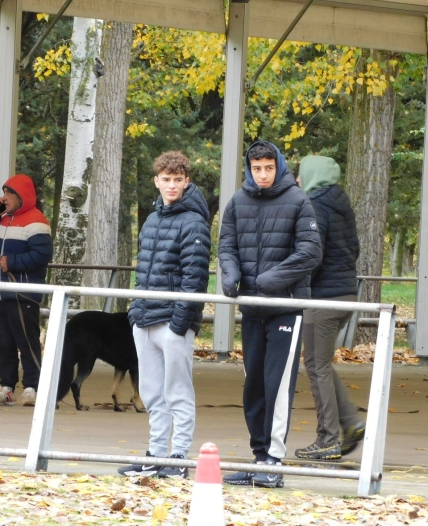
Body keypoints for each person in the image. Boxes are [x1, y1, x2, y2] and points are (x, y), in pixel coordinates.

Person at [218, 140, 322, 488]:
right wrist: (231, 276)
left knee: (277, 387)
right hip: (252, 309)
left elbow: (310, 252)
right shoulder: (238, 201)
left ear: (278, 166)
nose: (263, 174)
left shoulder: (298, 201)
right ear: (249, 168)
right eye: (257, 168)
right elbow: (227, 245)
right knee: (254, 386)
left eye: (268, 168)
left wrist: (269, 280)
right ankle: (259, 456)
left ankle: (274, 461)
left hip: (285, 309)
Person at [118, 151, 211, 479]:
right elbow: (143, 270)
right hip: (144, 319)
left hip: (172, 323)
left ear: (186, 181)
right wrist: (135, 313)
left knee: (178, 393)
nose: (171, 185)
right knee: (152, 393)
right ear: (157, 181)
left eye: (177, 179)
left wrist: (179, 324)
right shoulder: (152, 220)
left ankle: (178, 459)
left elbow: (195, 277)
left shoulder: (194, 222)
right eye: (166, 179)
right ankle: (155, 455)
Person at [293, 155, 365, 461]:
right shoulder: (340, 203)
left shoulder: (315, 206)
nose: (297, 181)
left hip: (322, 298)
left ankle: (328, 439)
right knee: (320, 362)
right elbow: (355, 249)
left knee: (316, 366)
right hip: (346, 294)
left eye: (300, 175)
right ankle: (349, 422)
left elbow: (313, 254)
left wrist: (292, 280)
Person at [0, 174, 53, 407]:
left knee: (27, 342)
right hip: (2, 293)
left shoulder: (37, 222)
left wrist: (12, 263)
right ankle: (7, 387)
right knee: (4, 343)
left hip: (24, 294)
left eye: (11, 193)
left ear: (23, 197)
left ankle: (32, 387)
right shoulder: (3, 219)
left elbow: (42, 256)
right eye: (5, 192)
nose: (5, 197)